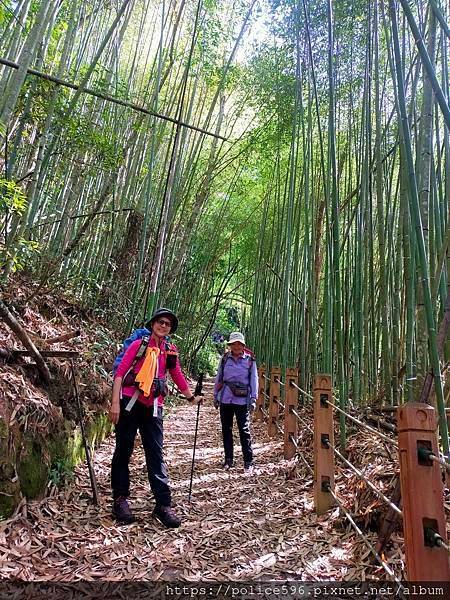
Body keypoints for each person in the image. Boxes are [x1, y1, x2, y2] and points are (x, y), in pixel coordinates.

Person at [109, 308, 200, 527]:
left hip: (154, 406)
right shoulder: (138, 345)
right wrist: (114, 404)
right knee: (123, 449)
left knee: (156, 454)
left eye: (168, 324)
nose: (163, 326)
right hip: (130, 402)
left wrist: (190, 397)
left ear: (170, 329)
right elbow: (120, 373)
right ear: (152, 324)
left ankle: (163, 504)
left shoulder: (169, 350)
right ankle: (120, 500)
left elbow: (176, 373)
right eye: (160, 322)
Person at [213, 331, 258, 473]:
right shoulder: (225, 358)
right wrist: (215, 395)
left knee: (244, 431)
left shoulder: (249, 360)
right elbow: (219, 377)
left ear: (243, 345)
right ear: (230, 345)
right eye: (234, 343)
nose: (237, 346)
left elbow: (254, 380)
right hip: (226, 397)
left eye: (239, 343)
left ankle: (248, 461)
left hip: (242, 400)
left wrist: (253, 399)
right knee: (226, 430)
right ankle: (228, 460)